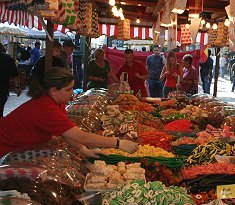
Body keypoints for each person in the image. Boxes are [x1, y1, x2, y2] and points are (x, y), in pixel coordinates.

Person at [0, 67, 138, 158]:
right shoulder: (46, 108)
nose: (72, 93)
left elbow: (65, 133)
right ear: (54, 90)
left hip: (17, 147)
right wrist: (118, 143)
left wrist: (83, 150)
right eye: (68, 89)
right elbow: (81, 136)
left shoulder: (57, 101)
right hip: (4, 148)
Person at [0, 44, 21, 117]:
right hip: (2, 91)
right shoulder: (7, 58)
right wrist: (17, 87)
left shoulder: (7, 58)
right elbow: (15, 74)